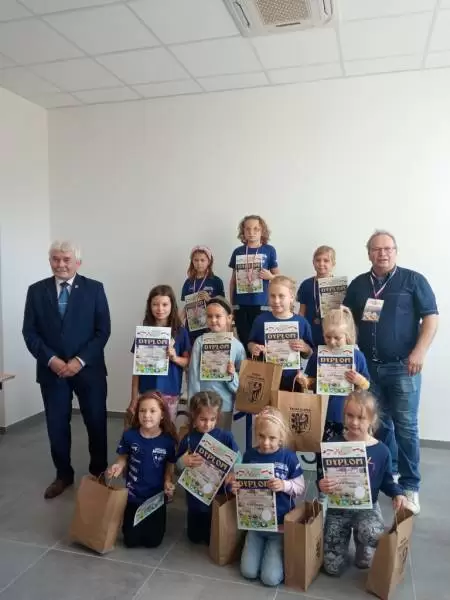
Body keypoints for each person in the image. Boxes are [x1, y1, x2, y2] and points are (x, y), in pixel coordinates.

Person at [344, 230, 438, 515]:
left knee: (406, 427)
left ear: (395, 251)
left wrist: (419, 352)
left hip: (403, 367)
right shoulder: (359, 284)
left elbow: (431, 318)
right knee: (378, 425)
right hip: (368, 369)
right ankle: (390, 475)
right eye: (376, 249)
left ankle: (410, 485)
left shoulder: (413, 281)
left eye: (387, 248)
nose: (382, 253)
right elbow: (347, 320)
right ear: (368, 253)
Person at [22, 241, 111, 499]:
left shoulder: (94, 289)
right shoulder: (36, 291)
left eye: (66, 259)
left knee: (96, 422)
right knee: (56, 424)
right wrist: (52, 360)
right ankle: (63, 475)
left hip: (89, 370)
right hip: (52, 371)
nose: (60, 264)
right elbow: (30, 332)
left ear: (78, 262)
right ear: (50, 260)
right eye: (55, 259)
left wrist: (79, 361)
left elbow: (102, 330)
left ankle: (98, 473)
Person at [319, 391, 407, 576]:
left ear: (372, 420)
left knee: (372, 534)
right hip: (338, 509)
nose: (354, 422)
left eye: (361, 417)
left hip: (367, 507)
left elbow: (387, 481)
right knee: (332, 568)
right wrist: (322, 485)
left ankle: (362, 545)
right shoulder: (334, 444)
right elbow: (323, 475)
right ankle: (342, 544)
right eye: (349, 415)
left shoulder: (381, 451)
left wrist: (398, 493)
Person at [231, 407, 305, 587]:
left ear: (281, 437)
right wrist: (235, 487)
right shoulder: (249, 455)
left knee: (270, 579)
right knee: (248, 572)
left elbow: (300, 487)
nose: (265, 443)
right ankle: (260, 551)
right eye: (261, 436)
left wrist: (284, 485)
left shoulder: (289, 458)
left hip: (279, 528)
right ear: (256, 433)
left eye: (272, 438)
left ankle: (276, 554)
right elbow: (240, 484)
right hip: (255, 524)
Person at [297, 306, 370, 465]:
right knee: (324, 458)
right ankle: (323, 481)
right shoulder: (317, 354)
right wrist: (305, 381)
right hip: (323, 416)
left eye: (337, 338)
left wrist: (359, 380)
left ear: (348, 336)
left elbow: (366, 387)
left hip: (348, 418)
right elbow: (311, 381)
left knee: (347, 460)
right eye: (327, 337)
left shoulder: (357, 356)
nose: (331, 342)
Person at [108, 392, 176, 548]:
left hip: (155, 499)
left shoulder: (168, 441)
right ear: (137, 413)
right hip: (133, 496)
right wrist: (118, 466)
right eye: (142, 411)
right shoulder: (129, 436)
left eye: (152, 411)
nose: (147, 415)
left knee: (153, 542)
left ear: (162, 415)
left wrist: (168, 481)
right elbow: (122, 458)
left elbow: (169, 465)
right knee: (130, 541)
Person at [176, 391, 240, 544]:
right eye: (203, 419)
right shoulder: (189, 439)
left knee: (214, 534)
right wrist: (183, 461)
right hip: (195, 496)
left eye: (212, 419)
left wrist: (233, 472)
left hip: (217, 495)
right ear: (194, 416)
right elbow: (177, 465)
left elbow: (238, 458)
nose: (208, 424)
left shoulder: (226, 437)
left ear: (218, 417)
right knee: (194, 537)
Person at [128, 285, 190, 424]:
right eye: (155, 304)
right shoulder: (144, 332)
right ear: (149, 306)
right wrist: (133, 398)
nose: (160, 309)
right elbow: (136, 369)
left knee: (168, 430)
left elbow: (187, 362)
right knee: (147, 427)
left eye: (165, 304)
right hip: (146, 392)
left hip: (170, 393)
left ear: (172, 305)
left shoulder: (181, 332)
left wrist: (175, 358)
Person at [188, 297, 246, 431]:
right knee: (200, 440)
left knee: (221, 440)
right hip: (201, 405)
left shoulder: (237, 346)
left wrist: (232, 376)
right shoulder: (200, 342)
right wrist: (193, 403)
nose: (213, 320)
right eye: (209, 316)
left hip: (224, 405)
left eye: (218, 316)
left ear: (229, 318)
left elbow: (242, 381)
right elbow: (193, 374)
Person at [248, 276, 314, 390]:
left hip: (293, 379)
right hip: (266, 377)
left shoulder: (302, 322)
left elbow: (309, 353)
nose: (276, 300)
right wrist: (253, 347)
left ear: (291, 297)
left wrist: (304, 347)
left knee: (290, 402)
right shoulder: (260, 320)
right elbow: (250, 343)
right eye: (272, 296)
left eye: (281, 296)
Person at [229, 215, 279, 352]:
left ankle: (261, 367)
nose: (251, 232)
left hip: (262, 305)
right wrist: (232, 305)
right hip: (241, 305)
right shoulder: (238, 252)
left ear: (262, 231)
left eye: (256, 229)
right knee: (246, 342)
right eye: (248, 229)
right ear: (243, 231)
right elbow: (233, 281)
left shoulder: (269, 250)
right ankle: (247, 366)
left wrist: (270, 276)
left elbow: (280, 278)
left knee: (262, 343)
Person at [181, 246, 225, 345]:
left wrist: (210, 299)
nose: (199, 263)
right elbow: (186, 306)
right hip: (192, 326)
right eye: (196, 260)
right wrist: (178, 321)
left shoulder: (216, 281)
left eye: (202, 260)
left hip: (210, 325)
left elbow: (223, 306)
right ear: (192, 262)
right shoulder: (188, 282)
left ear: (209, 261)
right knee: (192, 351)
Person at [297, 245, 336, 346]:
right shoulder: (306, 284)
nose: (321, 264)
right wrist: (298, 331)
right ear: (313, 262)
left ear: (333, 263)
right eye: (318, 260)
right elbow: (301, 312)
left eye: (326, 260)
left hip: (331, 335)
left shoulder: (338, 286)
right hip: (309, 332)